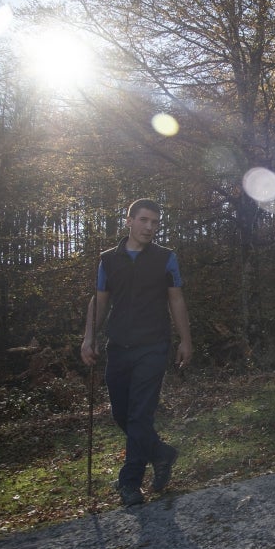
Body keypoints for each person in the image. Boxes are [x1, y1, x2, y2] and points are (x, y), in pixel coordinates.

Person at [80, 198, 192, 507]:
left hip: (153, 345)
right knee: (121, 414)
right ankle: (161, 454)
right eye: (144, 220)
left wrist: (185, 340)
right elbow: (99, 301)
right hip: (118, 347)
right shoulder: (108, 260)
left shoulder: (166, 258)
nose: (149, 227)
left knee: (140, 415)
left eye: (155, 222)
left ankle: (129, 483)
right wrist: (88, 338)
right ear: (129, 221)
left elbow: (177, 300)